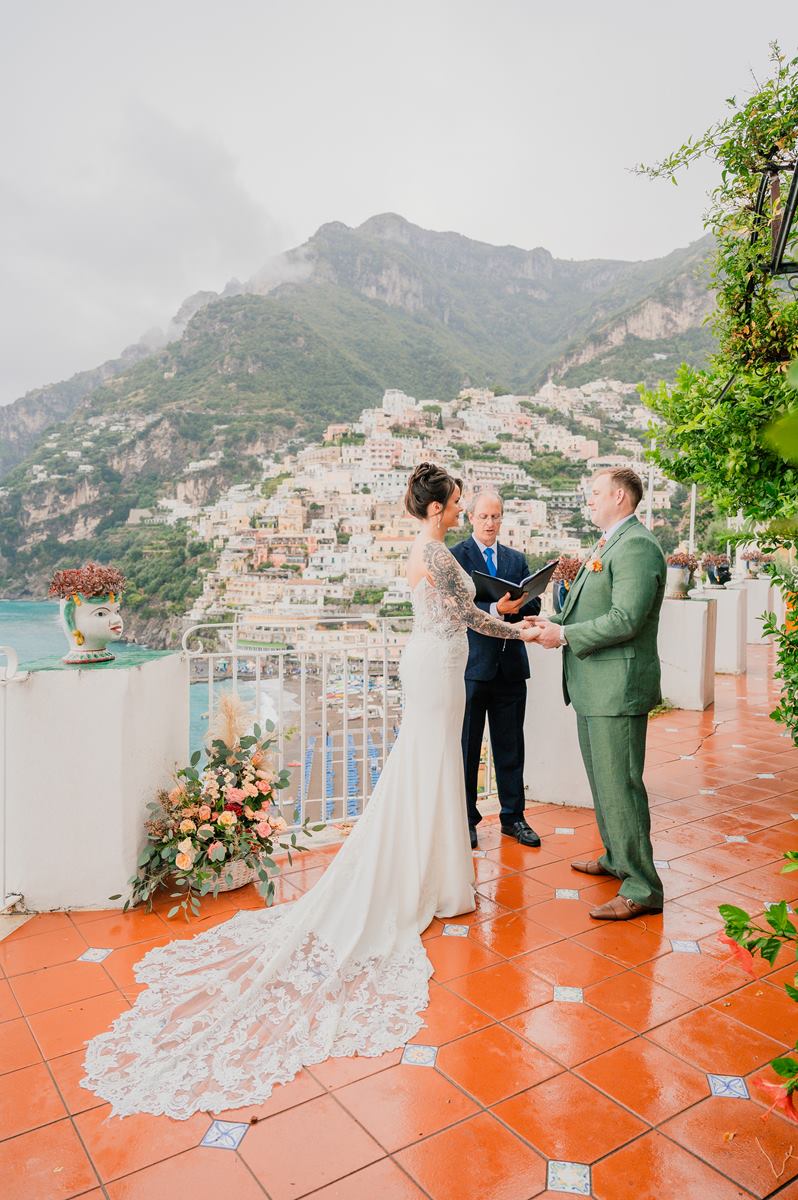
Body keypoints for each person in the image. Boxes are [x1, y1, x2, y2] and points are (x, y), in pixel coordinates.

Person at [82, 462, 539, 1119]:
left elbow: (456, 612)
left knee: (433, 769)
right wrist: (521, 627)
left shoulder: (424, 548)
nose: (466, 507)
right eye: (459, 499)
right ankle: (432, 882)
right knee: (431, 767)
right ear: (438, 506)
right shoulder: (436, 553)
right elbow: (471, 615)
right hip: (438, 667)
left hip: (433, 665)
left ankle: (436, 877)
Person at [530, 466, 665, 920]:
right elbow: (592, 607)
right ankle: (616, 858)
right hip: (594, 685)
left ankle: (643, 886)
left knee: (621, 784)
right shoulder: (609, 543)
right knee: (603, 782)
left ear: (621, 498)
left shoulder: (638, 548)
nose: (588, 500)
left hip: (617, 687)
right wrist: (552, 625)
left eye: (595, 493)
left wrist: (565, 637)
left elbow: (625, 618)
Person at [450, 490, 542, 849]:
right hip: (473, 667)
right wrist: (494, 608)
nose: (491, 523)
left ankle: (513, 818)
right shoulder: (457, 557)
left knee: (510, 746)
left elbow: (533, 598)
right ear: (471, 517)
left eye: (496, 516)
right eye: (485, 516)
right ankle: (467, 819)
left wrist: (518, 603)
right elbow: (457, 606)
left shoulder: (516, 559)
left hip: (511, 667)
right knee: (467, 748)